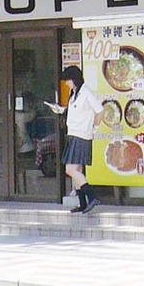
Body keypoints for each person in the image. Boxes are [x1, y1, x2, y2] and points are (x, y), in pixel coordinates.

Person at [57, 65, 103, 213]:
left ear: (74, 79)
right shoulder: (74, 93)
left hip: (81, 134)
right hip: (73, 133)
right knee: (77, 170)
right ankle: (82, 203)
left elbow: (100, 111)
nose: (67, 83)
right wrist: (60, 110)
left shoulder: (86, 92)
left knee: (70, 169)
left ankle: (92, 196)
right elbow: (75, 112)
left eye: (68, 80)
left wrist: (94, 128)